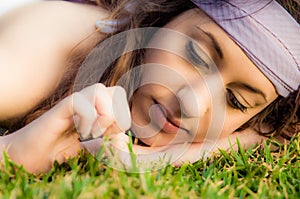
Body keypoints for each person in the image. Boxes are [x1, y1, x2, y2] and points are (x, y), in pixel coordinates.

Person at [0, 0, 298, 174]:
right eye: (195, 55)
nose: (191, 104)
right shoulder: (52, 46)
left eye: (236, 101)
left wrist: (243, 140)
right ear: (162, 17)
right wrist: (12, 152)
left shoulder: (253, 126)